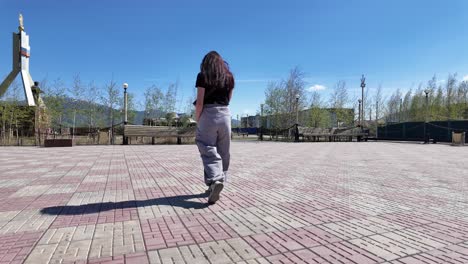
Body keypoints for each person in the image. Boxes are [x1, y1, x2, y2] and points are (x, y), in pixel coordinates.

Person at [194, 51, 235, 205]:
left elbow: (200, 102)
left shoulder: (203, 75)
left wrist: (198, 119)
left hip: (208, 114)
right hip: (225, 115)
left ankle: (216, 179)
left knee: (206, 146)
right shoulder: (230, 77)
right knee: (224, 150)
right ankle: (217, 182)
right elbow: (228, 99)